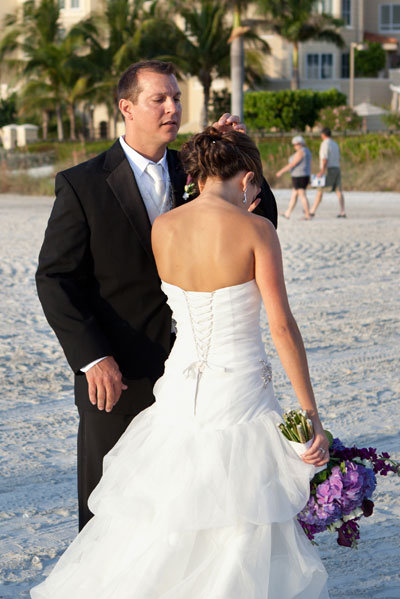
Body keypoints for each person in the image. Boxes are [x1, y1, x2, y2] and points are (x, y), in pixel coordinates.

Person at [31, 127, 330, 599]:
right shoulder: (257, 230)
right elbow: (281, 327)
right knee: (240, 516)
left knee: (169, 507)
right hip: (239, 392)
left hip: (178, 390)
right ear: (249, 179)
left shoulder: (164, 228)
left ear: (194, 174)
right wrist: (310, 414)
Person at [35, 60, 278, 532]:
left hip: (191, 376)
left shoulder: (196, 169)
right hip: (117, 372)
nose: (173, 107)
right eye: (159, 99)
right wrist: (92, 359)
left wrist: (242, 159)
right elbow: (55, 278)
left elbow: (259, 222)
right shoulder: (82, 184)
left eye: (177, 97)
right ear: (126, 108)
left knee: (187, 506)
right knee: (109, 506)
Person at [310, 127, 346, 218]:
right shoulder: (335, 144)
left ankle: (312, 211)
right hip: (337, 168)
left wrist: (322, 170)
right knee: (339, 190)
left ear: (323, 134)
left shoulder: (325, 144)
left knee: (320, 190)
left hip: (328, 169)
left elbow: (324, 158)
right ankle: (342, 211)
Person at [276, 135, 312, 220]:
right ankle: (288, 213)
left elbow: (293, 164)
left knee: (302, 195)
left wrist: (281, 171)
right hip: (303, 175)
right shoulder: (307, 151)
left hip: (299, 176)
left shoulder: (301, 152)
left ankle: (307, 214)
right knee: (294, 195)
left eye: (296, 144)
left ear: (300, 144)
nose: (294, 146)